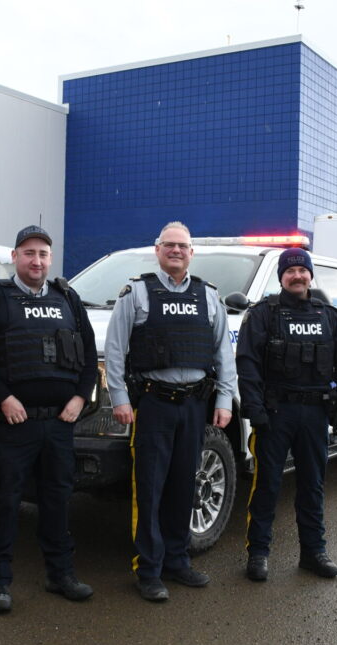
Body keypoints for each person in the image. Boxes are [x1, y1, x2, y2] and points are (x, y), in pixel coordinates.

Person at [0, 225, 98, 614]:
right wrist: (3, 398)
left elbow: (88, 356)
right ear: (15, 256)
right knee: (5, 502)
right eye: (28, 253)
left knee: (58, 500)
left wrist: (78, 398)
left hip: (59, 424)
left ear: (50, 258)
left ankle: (61, 574)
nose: (36, 261)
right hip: (13, 425)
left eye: (42, 254)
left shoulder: (67, 299)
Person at [104, 221, 237, 602]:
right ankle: (148, 569)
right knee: (149, 488)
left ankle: (177, 561)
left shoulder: (208, 296)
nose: (176, 251)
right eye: (169, 245)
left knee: (185, 484)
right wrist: (119, 398)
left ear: (191, 252)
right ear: (157, 249)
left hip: (196, 404)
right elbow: (116, 349)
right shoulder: (138, 292)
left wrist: (225, 400)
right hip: (154, 403)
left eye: (182, 246)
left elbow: (222, 354)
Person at [235, 247, 337, 582]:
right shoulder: (263, 314)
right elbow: (247, 366)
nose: (297, 276)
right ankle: (258, 554)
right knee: (267, 486)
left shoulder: (329, 317)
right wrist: (255, 411)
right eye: (290, 271)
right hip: (276, 414)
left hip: (316, 413)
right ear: (282, 277)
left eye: (302, 271)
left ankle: (313, 552)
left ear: (310, 275)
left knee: (313, 486)